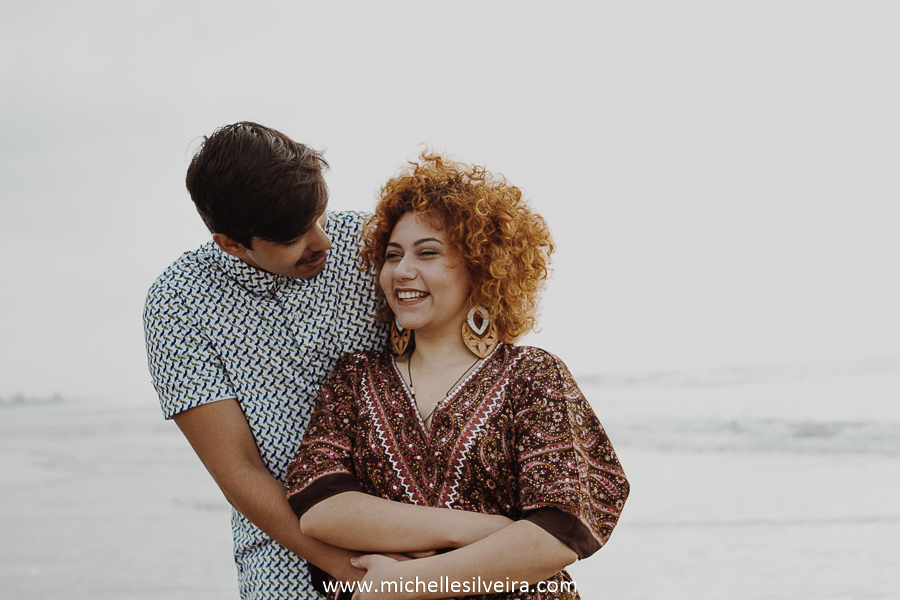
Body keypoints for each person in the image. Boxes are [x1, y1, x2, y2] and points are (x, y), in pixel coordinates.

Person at [285, 153, 630, 599]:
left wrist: (409, 583)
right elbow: (319, 507)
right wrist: (481, 528)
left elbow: (561, 532)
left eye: (427, 252)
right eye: (392, 256)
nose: (402, 271)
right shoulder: (354, 378)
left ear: (481, 266)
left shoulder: (531, 375)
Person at [143, 122, 391, 599]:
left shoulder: (371, 244)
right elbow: (239, 471)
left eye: (319, 215)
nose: (323, 241)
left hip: (425, 535)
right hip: (286, 562)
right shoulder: (178, 303)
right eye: (295, 236)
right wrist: (361, 577)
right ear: (232, 244)